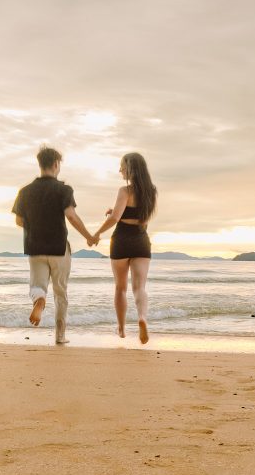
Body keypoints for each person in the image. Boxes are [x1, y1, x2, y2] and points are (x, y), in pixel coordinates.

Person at [12, 146, 97, 344]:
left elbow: (18, 221)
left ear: (40, 164)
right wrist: (88, 236)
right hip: (59, 248)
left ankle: (39, 301)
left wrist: (37, 225)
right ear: (56, 164)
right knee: (60, 292)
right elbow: (71, 216)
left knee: (37, 285)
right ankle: (60, 335)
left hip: (35, 247)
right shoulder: (63, 190)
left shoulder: (25, 191)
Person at [92, 152, 157, 344]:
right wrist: (118, 211)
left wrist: (96, 234)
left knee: (120, 288)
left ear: (130, 168)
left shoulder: (125, 190)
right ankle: (142, 318)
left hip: (121, 240)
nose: (120, 170)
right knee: (139, 287)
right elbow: (143, 221)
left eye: (122, 166)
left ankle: (121, 329)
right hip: (140, 240)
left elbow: (115, 219)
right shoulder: (151, 191)